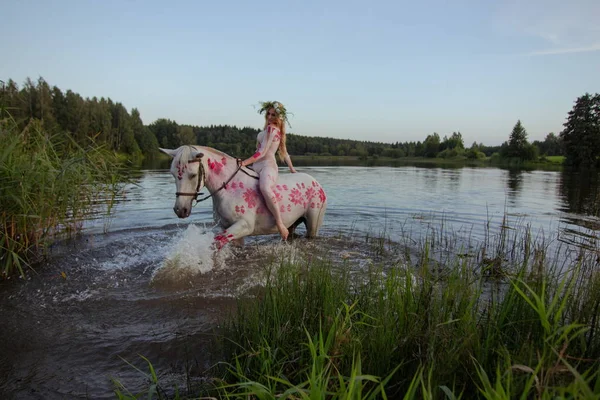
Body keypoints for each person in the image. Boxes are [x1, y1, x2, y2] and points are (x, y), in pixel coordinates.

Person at [238, 101, 297, 240]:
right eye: (268, 114)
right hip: (256, 166)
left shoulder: (273, 129)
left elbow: (265, 152)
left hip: (267, 166)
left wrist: (244, 163)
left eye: (273, 114)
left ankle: (280, 223)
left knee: (265, 188)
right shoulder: (267, 129)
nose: (270, 117)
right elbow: (260, 150)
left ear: (279, 117)